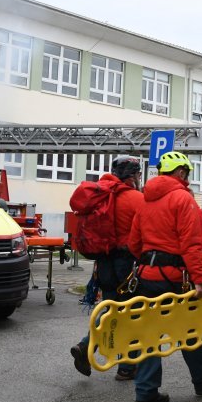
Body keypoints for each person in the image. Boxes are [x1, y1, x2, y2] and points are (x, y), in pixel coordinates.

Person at [127, 151, 202, 402]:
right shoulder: (183, 199)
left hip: (146, 277)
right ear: (181, 173)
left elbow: (134, 243)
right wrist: (199, 280)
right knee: (190, 329)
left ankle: (146, 392)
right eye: (188, 175)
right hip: (175, 279)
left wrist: (151, 260)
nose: (189, 180)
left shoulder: (145, 200)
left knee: (149, 334)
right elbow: (192, 244)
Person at [70, 156, 144, 381]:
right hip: (127, 264)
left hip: (103, 263)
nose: (140, 179)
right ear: (132, 177)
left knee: (110, 309)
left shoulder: (102, 194)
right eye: (139, 175)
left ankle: (86, 346)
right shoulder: (136, 199)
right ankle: (127, 367)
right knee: (132, 312)